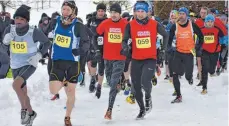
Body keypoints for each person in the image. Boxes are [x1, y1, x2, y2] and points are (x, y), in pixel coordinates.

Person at [3, 4, 51, 126]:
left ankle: (25, 111)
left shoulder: (33, 31)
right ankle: (30, 112)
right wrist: (5, 42)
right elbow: (4, 48)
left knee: (16, 85)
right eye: (17, 18)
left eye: (22, 19)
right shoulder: (9, 29)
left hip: (29, 63)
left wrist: (39, 55)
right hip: (15, 64)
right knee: (22, 91)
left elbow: (47, 43)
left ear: (27, 21)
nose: (18, 21)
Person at [121, 1, 168, 119]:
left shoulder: (154, 24)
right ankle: (142, 109)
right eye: (138, 11)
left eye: (143, 11)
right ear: (135, 12)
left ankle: (148, 96)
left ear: (148, 12)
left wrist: (162, 51)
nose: (140, 14)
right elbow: (124, 40)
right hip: (136, 59)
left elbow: (166, 35)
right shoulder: (130, 25)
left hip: (150, 59)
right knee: (136, 87)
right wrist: (125, 47)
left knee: (145, 81)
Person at [48, 1, 89, 126]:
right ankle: (65, 82)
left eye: (67, 10)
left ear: (73, 11)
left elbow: (86, 42)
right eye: (63, 9)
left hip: (72, 62)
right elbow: (47, 31)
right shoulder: (55, 21)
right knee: (53, 89)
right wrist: (50, 36)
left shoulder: (78, 26)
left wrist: (80, 50)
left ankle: (67, 117)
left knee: (71, 92)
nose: (65, 12)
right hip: (57, 61)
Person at [94, 3, 128, 119]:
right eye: (111, 12)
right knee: (109, 81)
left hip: (120, 58)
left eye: (115, 13)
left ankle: (109, 109)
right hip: (107, 57)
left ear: (120, 13)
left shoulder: (125, 24)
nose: (113, 15)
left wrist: (127, 48)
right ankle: (118, 83)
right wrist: (98, 51)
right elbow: (96, 35)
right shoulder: (105, 23)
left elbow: (132, 38)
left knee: (113, 84)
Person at [168, 7, 204, 103]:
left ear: (186, 15)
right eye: (179, 13)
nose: (181, 15)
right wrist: (168, 48)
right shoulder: (174, 26)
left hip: (189, 53)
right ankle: (179, 95)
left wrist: (198, 46)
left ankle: (190, 77)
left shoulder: (192, 25)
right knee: (175, 74)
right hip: (178, 52)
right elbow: (169, 39)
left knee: (187, 76)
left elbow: (201, 37)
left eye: (183, 14)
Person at [198, 14, 225, 94]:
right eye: (208, 21)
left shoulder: (217, 29)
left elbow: (223, 37)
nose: (209, 23)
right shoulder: (201, 30)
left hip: (215, 52)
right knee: (205, 69)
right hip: (205, 52)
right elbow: (198, 41)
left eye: (211, 22)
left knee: (211, 69)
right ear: (205, 22)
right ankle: (204, 87)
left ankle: (212, 71)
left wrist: (223, 44)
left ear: (213, 22)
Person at [86, 3, 107, 95]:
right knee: (93, 63)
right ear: (97, 11)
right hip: (93, 45)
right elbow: (86, 30)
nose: (100, 13)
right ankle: (93, 79)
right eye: (99, 11)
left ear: (105, 12)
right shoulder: (92, 20)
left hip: (104, 46)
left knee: (101, 67)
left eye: (102, 11)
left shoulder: (107, 20)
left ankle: (99, 86)